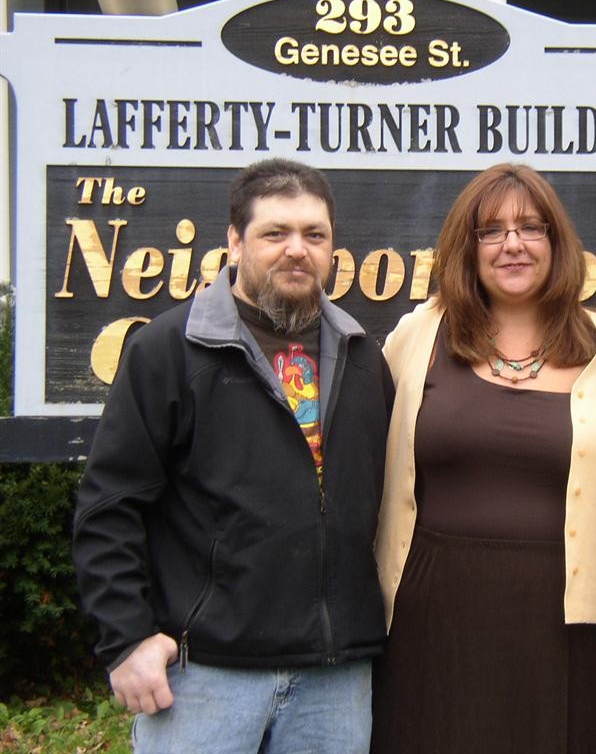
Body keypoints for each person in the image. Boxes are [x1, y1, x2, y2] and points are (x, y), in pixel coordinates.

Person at [72, 158, 394, 754]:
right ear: (234, 241)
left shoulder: (363, 358)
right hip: (204, 678)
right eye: (275, 233)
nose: (297, 250)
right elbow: (109, 507)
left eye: (314, 235)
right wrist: (126, 638)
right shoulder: (168, 350)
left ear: (332, 249)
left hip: (334, 678)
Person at [371, 163, 596, 754]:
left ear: (557, 241)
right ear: (466, 250)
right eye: (490, 231)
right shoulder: (420, 335)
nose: (512, 244)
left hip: (576, 627)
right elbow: (358, 458)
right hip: (433, 617)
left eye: (530, 227)